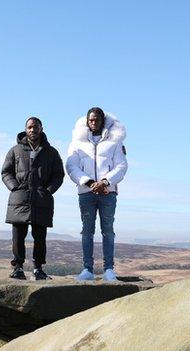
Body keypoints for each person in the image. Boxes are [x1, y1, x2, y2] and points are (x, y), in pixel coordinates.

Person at [66, 107, 128, 281]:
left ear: (103, 121)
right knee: (87, 231)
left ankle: (109, 269)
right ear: (87, 121)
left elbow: (121, 166)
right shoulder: (76, 143)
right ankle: (88, 270)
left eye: (97, 120)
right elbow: (71, 166)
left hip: (108, 193)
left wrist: (105, 182)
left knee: (108, 231)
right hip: (86, 193)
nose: (93, 123)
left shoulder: (115, 142)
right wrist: (89, 182)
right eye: (91, 120)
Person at [1, 117, 65, 280]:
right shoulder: (15, 150)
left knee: (40, 237)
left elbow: (58, 175)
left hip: (41, 199)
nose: (32, 130)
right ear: (25, 129)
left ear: (41, 129)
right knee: (18, 236)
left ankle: (38, 269)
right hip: (19, 198)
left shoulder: (51, 152)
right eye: (29, 127)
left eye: (35, 127)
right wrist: (15, 187)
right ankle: (18, 268)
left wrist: (48, 190)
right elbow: (6, 172)